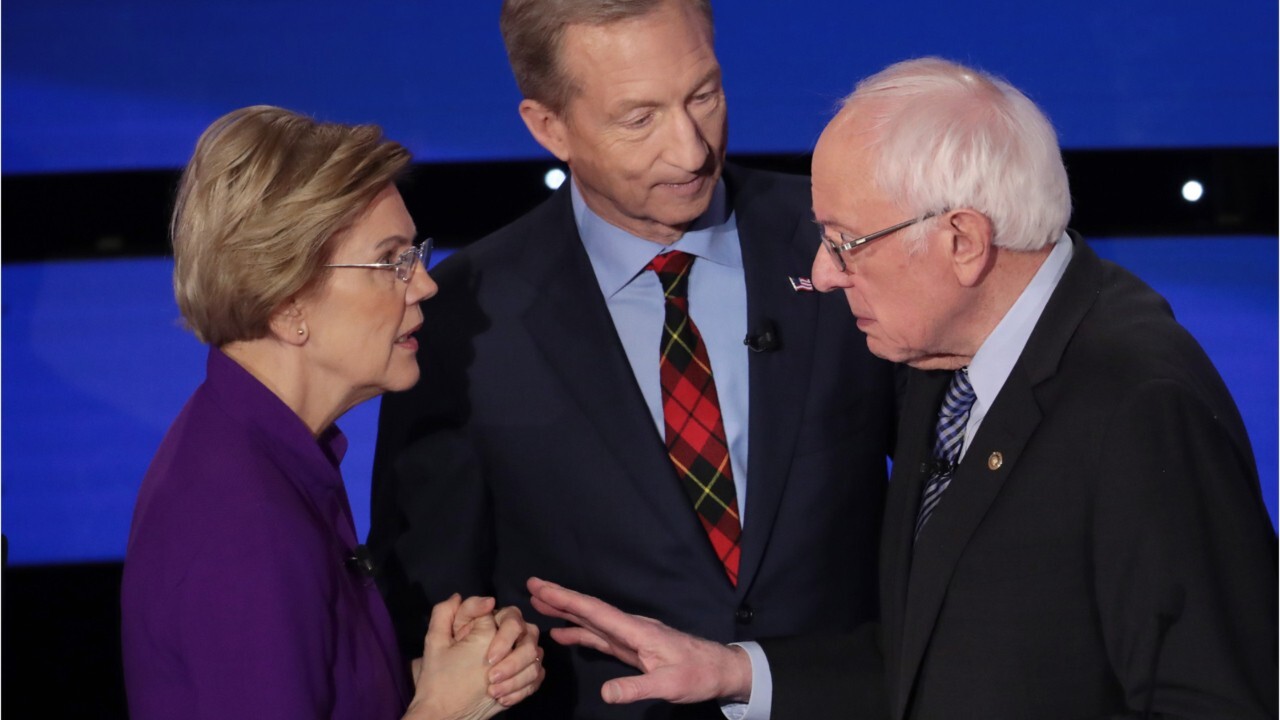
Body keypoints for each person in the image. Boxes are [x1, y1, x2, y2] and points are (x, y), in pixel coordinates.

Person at [523, 58, 1279, 718]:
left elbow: (1213, 701)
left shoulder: (1138, 402)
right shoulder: (943, 369)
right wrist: (731, 671)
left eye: (844, 241)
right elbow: (940, 660)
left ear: (961, 241)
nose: (821, 274)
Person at [368, 1, 897, 717]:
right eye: (639, 118)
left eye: (704, 95)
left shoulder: (843, 242)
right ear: (547, 126)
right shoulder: (463, 317)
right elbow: (435, 607)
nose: (689, 150)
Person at [121, 106, 545, 720]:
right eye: (392, 260)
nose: (424, 285)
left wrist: (441, 676)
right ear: (288, 301)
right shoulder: (245, 524)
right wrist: (449, 713)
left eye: (415, 253)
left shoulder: (263, 453)